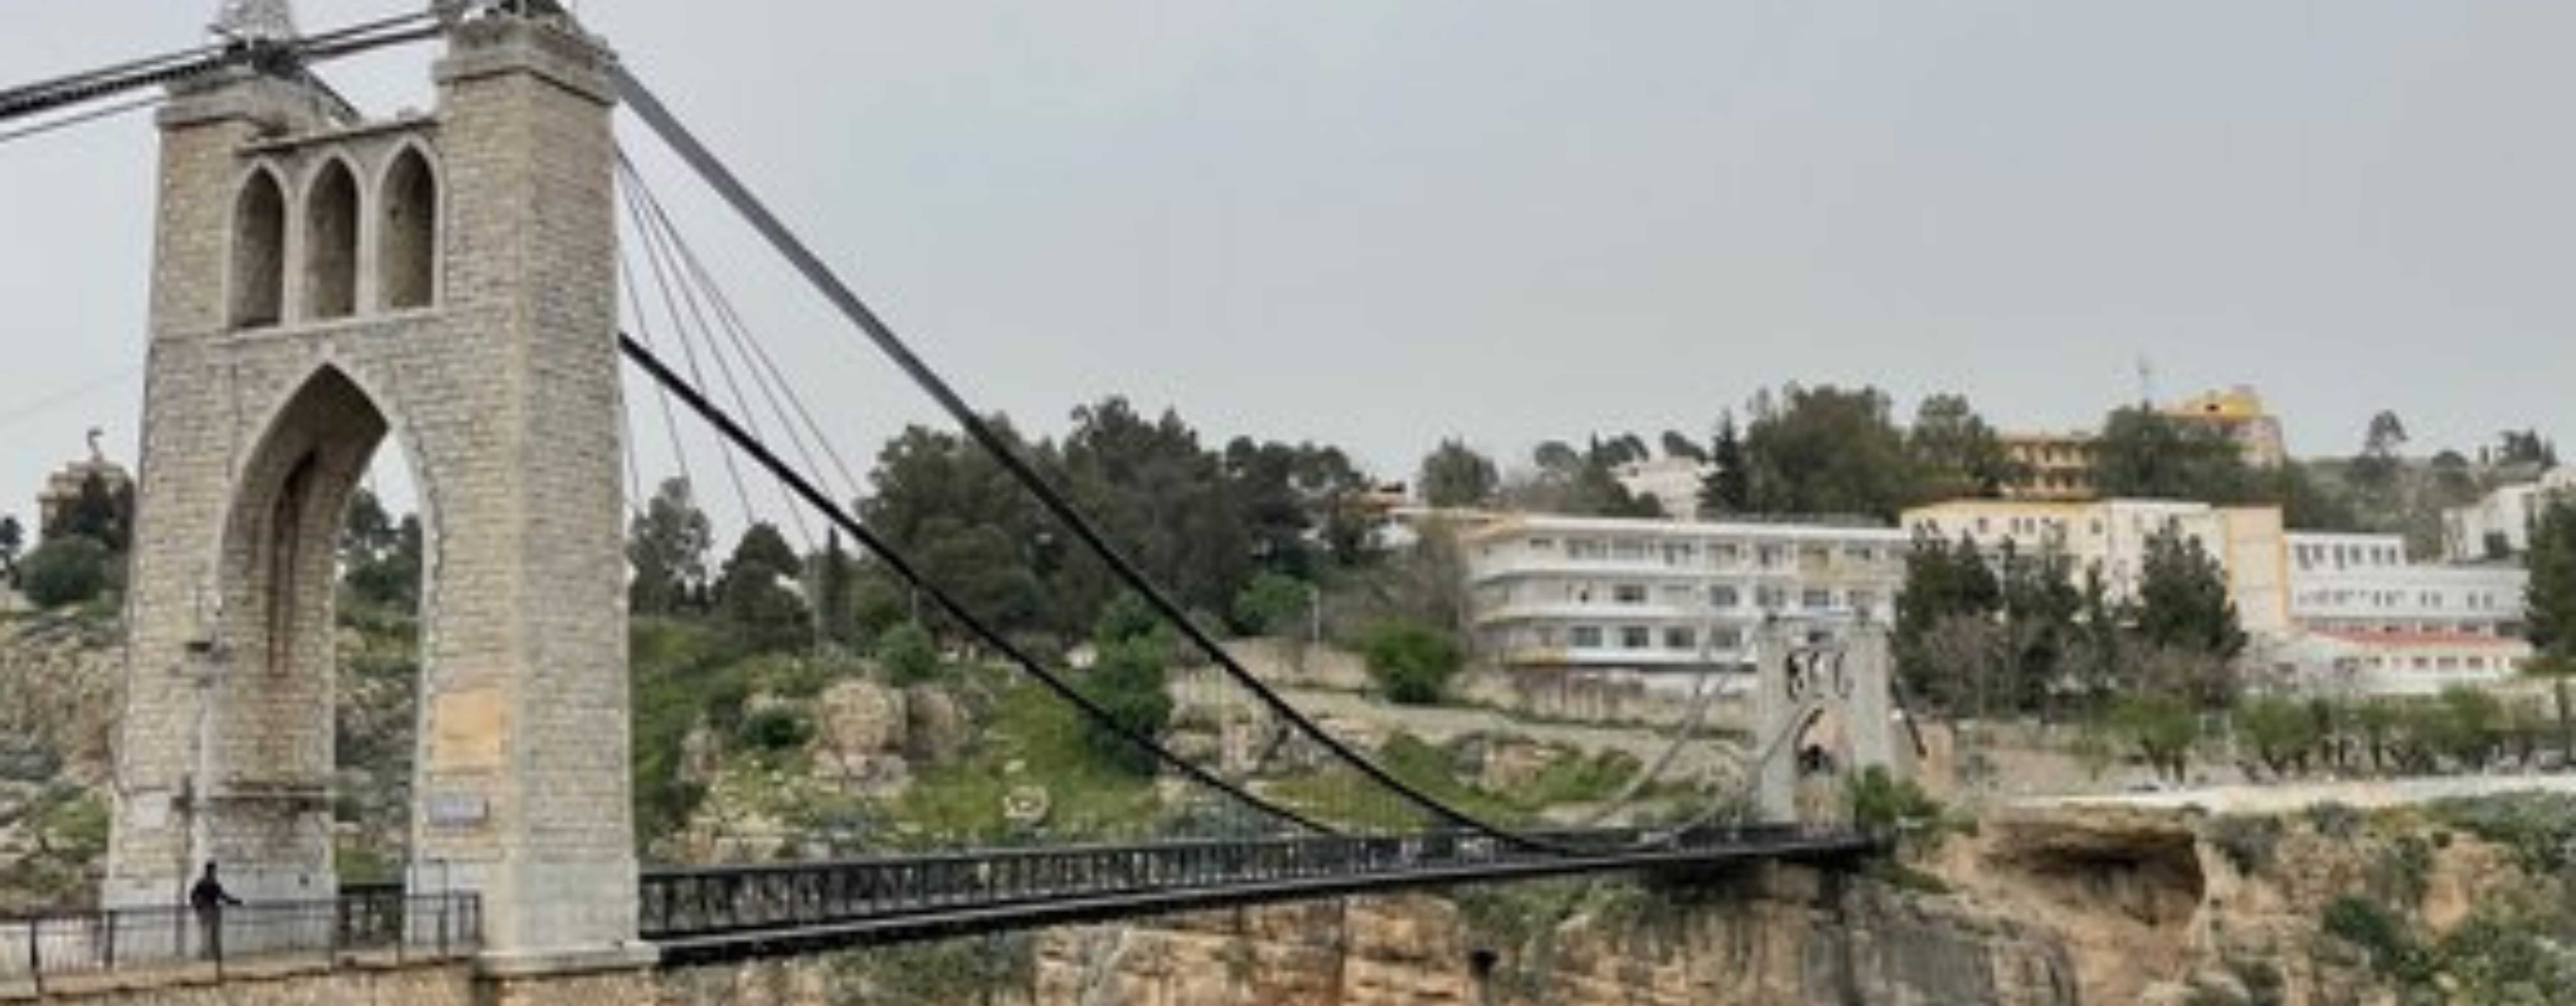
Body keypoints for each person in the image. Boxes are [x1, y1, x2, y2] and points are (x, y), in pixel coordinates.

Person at [188, 861, 243, 961]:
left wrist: (198, 907)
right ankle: (210, 954)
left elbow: (194, 896)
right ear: (211, 871)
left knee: (210, 933)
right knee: (211, 933)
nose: (215, 873)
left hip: (209, 911)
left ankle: (211, 954)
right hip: (210, 911)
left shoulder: (205, 883)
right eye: (214, 871)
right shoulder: (208, 883)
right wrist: (234, 902)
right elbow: (223, 896)